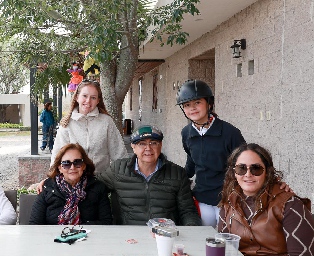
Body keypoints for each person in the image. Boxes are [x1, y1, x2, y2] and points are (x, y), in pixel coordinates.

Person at [218, 143, 314, 255]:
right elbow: (223, 249)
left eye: (256, 168)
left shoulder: (289, 205)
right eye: (241, 168)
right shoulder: (229, 203)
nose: (248, 174)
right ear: (234, 172)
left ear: (267, 172)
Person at [96, 125, 201, 226]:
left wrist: (190, 228)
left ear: (160, 145)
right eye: (142, 144)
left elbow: (187, 211)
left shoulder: (177, 173)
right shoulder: (118, 169)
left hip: (164, 235)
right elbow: (94, 189)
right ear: (133, 147)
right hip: (128, 234)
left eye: (153, 143)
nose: (148, 148)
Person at [176, 79, 246, 227]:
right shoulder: (186, 133)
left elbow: (247, 164)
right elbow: (191, 164)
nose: (192, 108)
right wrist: (173, 177)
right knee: (204, 240)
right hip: (202, 198)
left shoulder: (230, 132)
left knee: (227, 243)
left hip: (228, 199)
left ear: (209, 103)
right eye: (187, 105)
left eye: (197, 103)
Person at [52, 79, 127, 174]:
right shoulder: (67, 123)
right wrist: (50, 179)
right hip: (74, 181)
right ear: (77, 97)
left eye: (93, 97)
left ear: (98, 101)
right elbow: (57, 155)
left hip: (101, 180)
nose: (88, 101)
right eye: (84, 96)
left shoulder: (106, 121)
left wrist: (126, 178)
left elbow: (119, 153)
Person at [29, 143, 112, 225]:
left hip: (88, 236)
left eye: (77, 162)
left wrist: (77, 231)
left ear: (84, 166)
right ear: (60, 168)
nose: (72, 167)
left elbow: (106, 222)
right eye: (66, 163)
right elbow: (34, 225)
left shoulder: (98, 188)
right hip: (52, 237)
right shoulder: (47, 188)